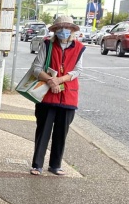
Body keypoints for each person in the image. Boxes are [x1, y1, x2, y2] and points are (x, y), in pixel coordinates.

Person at [27, 15, 85, 176]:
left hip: (68, 96)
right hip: (46, 95)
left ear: (72, 30)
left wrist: (59, 80)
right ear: (55, 30)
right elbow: (36, 68)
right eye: (60, 28)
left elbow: (78, 70)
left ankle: (55, 165)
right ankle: (37, 164)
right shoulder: (47, 44)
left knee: (61, 132)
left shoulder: (79, 47)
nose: (63, 31)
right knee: (43, 131)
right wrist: (51, 81)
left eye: (67, 28)